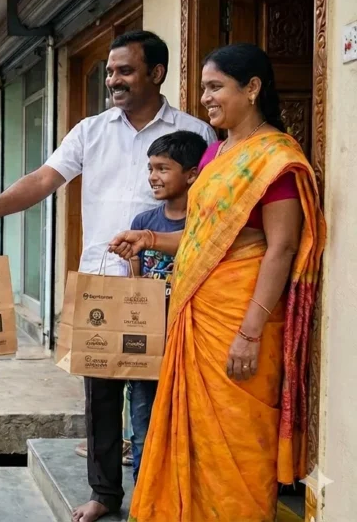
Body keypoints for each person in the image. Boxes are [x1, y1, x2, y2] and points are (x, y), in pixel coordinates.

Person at [0, 31, 216, 522]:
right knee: (98, 398)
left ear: (156, 73)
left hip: (165, 288)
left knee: (152, 400)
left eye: (125, 71)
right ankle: (104, 495)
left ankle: (155, 495)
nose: (113, 80)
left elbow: (211, 208)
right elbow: (42, 180)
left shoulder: (195, 134)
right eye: (111, 72)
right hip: (102, 284)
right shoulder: (90, 130)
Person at [108, 43, 325, 522]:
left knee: (238, 441)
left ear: (251, 89)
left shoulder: (275, 158)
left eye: (214, 87)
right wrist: (148, 238)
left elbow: (281, 247)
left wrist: (250, 330)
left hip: (242, 320)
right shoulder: (215, 153)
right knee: (194, 441)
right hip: (198, 316)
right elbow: (202, 237)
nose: (205, 98)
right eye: (203, 88)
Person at [123, 130, 208, 483]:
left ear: (191, 174)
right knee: (143, 423)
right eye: (150, 168)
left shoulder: (204, 223)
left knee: (190, 423)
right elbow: (136, 286)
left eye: (163, 169)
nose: (153, 177)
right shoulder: (143, 223)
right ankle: (145, 496)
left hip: (193, 339)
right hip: (150, 344)